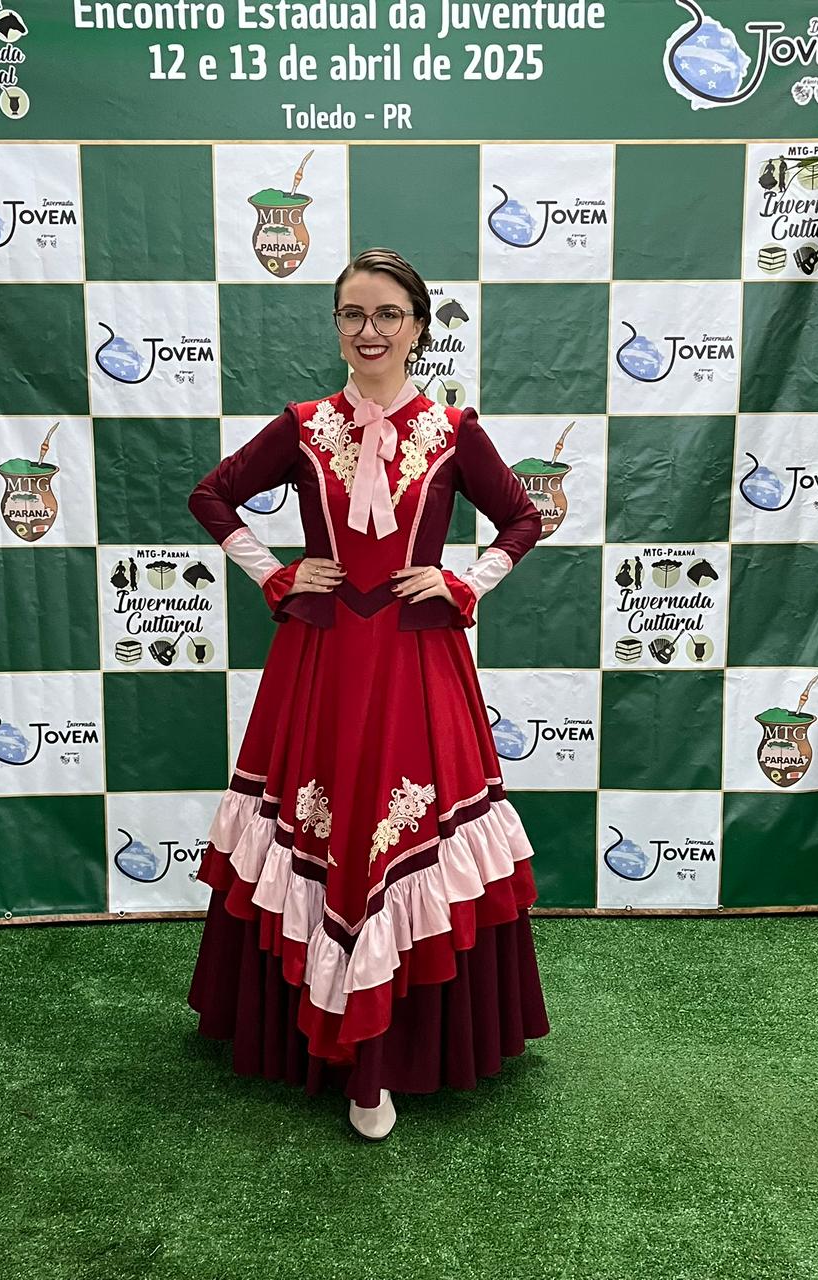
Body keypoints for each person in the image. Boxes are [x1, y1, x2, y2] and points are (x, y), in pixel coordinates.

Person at [186, 247, 550, 1140]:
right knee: (326, 827)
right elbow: (212, 497)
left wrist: (464, 582)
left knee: (397, 833)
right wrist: (275, 575)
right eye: (352, 313)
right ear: (337, 326)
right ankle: (330, 1046)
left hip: (419, 667)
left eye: (388, 313)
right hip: (320, 666)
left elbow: (522, 516)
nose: (369, 329)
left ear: (419, 326)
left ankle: (390, 1055)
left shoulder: (454, 430)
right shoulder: (305, 425)